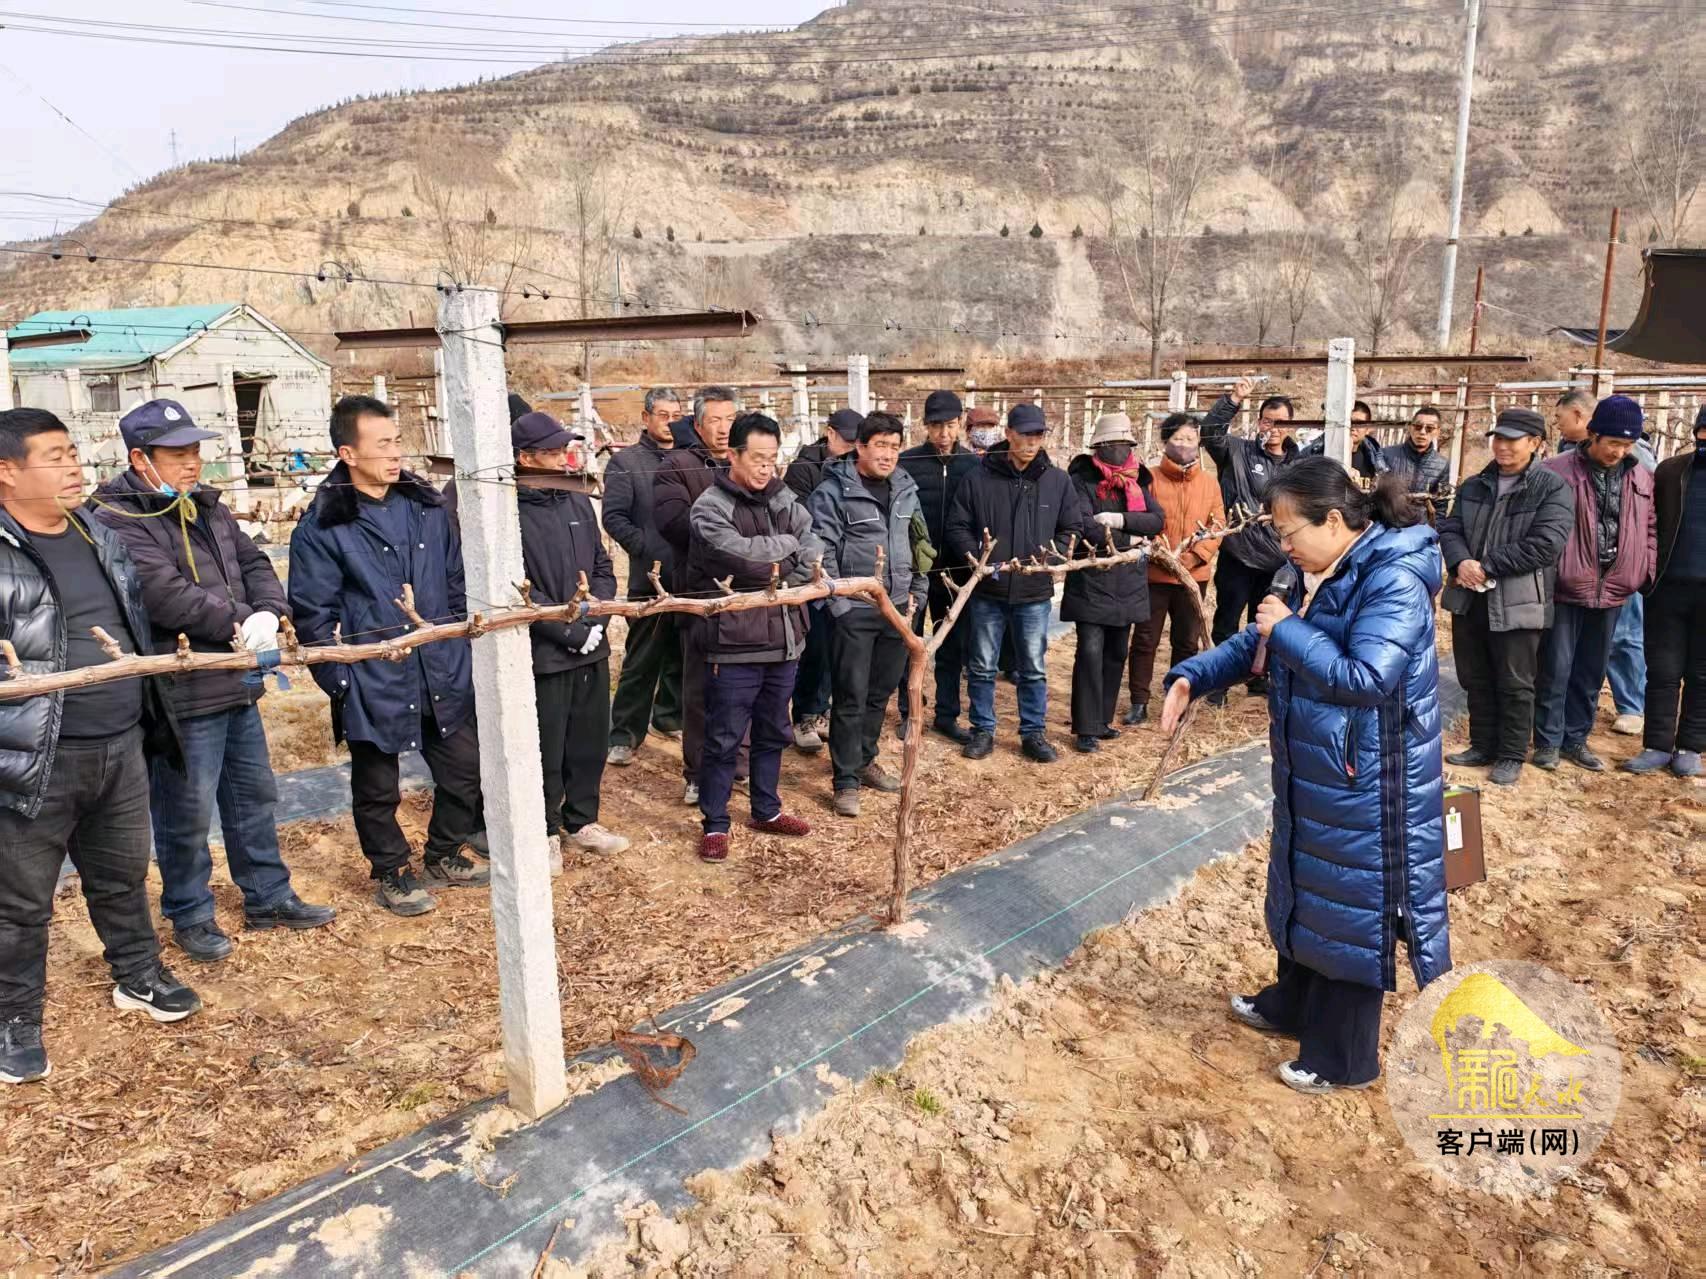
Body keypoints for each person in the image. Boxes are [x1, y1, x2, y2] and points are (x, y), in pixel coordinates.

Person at [1161, 460, 1450, 1095]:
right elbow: (1261, 640)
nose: (1282, 545)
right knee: (1305, 883)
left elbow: (1367, 678)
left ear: (1335, 521)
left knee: (1352, 905)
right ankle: (1292, 1004)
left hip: (1369, 775)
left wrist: (1289, 630)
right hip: (1317, 764)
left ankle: (1344, 1059)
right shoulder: (1310, 570)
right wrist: (1193, 675)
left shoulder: (1393, 578)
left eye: (1289, 531)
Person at [92, 400, 334, 963]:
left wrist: (269, 611)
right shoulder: (116, 518)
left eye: (195, 451)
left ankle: (268, 896)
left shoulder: (208, 507)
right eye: (177, 453)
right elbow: (162, 593)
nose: (192, 463)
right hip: (181, 684)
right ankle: (190, 911)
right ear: (140, 458)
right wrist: (239, 622)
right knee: (186, 807)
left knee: (254, 795)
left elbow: (254, 563)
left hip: (236, 674)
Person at [0, 408, 201, 1086]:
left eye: (73, 452)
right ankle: (13, 1018)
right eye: (54, 456)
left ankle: (138, 974)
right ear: (7, 472)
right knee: (20, 901)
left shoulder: (97, 530)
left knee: (121, 875)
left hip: (119, 742)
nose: (73, 465)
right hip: (32, 756)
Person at [289, 395, 486, 916]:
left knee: (465, 769)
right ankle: (392, 871)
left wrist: (459, 646)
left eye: (397, 441)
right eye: (382, 444)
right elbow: (312, 615)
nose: (395, 453)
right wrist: (341, 681)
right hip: (373, 674)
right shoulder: (324, 526)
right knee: (378, 788)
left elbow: (455, 581)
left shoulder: (426, 508)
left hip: (440, 664)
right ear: (348, 453)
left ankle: (443, 853)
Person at [686, 414, 822, 862]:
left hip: (785, 636)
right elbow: (743, 563)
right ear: (733, 455)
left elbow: (814, 545)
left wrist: (785, 563)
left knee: (773, 729)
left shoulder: (783, 497)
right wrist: (786, 550)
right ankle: (715, 822)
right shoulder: (709, 507)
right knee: (724, 737)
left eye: (772, 459)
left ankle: (766, 809)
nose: (767, 468)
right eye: (758, 459)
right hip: (734, 641)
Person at [508, 412, 628, 860]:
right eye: (554, 452)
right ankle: (545, 831)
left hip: (591, 647)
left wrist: (596, 621)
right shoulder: (510, 512)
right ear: (525, 458)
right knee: (548, 746)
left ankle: (583, 820)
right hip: (546, 652)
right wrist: (567, 631)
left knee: (589, 740)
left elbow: (601, 566)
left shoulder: (576, 501)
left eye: (565, 450)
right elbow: (515, 586)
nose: (564, 459)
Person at [1436, 407, 1575, 787]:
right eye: (1498, 438)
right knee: (1475, 675)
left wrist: (1486, 565)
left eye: (1512, 440)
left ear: (1536, 443)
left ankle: (1511, 754)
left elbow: (1546, 544)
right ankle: (1483, 744)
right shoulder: (1474, 485)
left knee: (1515, 682)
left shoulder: (1551, 487)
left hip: (1518, 601)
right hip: (1469, 597)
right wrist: (1460, 561)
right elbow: (1450, 528)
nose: (1502, 446)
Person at [945, 403, 1088, 764]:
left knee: (1033, 667)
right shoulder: (979, 478)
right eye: (1024, 435)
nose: (1031, 442)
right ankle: (982, 730)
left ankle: (1033, 732)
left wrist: (1048, 561)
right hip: (987, 591)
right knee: (982, 665)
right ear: (1008, 434)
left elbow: (1071, 528)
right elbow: (957, 526)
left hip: (1034, 592)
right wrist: (978, 560)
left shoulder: (1056, 481)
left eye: (1037, 435)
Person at [809, 412, 925, 815]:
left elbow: (920, 544)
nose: (888, 454)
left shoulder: (905, 488)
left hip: (897, 610)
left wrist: (917, 595)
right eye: (880, 445)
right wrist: (840, 606)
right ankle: (845, 781)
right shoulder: (832, 492)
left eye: (894, 446)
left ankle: (864, 760)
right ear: (860, 446)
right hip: (855, 610)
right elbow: (819, 551)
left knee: (879, 694)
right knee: (850, 695)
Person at [1531, 395, 1656, 772]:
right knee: (1555, 668)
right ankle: (1548, 742)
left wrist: (1642, 568)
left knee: (1590, 671)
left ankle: (1576, 740)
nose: (1619, 452)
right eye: (1613, 442)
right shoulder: (1555, 471)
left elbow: (1651, 526)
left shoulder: (1641, 476)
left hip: (1615, 588)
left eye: (1627, 444)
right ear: (1593, 434)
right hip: (1565, 587)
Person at [654, 386, 738, 806]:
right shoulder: (678, 465)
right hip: (700, 592)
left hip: (748, 593)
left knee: (742, 689)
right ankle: (698, 774)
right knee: (701, 689)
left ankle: (736, 766)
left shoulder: (747, 461)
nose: (724, 429)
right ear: (698, 425)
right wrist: (737, 539)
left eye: (730, 420)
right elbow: (674, 523)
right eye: (715, 420)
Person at [1061, 413, 1164, 753]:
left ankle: (1103, 720)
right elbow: (1086, 526)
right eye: (1114, 445)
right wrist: (1131, 539)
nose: (1121, 451)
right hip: (1092, 579)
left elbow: (1157, 520)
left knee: (1117, 651)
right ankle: (1085, 727)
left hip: (1128, 582)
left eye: (1125, 444)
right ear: (1100, 447)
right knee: (1090, 652)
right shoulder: (1081, 481)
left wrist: (1119, 520)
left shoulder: (1137, 480)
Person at [1201, 377, 1299, 704]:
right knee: (1227, 621)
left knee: (1265, 623)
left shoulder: (1298, 464)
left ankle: (1258, 676)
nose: (1275, 428)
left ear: (1292, 426)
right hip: (1239, 554)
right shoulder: (1238, 451)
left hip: (1278, 560)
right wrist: (1232, 399)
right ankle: (1219, 682)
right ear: (1259, 422)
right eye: (1269, 421)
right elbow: (1210, 433)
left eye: (1282, 422)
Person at [603, 387, 684, 767]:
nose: (669, 423)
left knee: (682, 655)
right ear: (646, 417)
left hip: (689, 576)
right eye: (662, 415)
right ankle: (624, 733)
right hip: (648, 580)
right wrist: (646, 547)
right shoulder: (627, 463)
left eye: (676, 416)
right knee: (641, 659)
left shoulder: (689, 458)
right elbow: (614, 517)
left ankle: (668, 717)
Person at [1624, 405, 1706, 778]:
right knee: (1662, 670)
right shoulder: (1671, 471)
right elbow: (1649, 523)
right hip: (1667, 589)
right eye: (1702, 432)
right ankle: (1656, 745)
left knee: (1702, 674)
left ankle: (1690, 746)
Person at [1127, 411, 1224, 726]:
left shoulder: (1209, 483)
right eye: (1177, 438)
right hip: (1154, 575)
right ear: (1165, 442)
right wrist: (1163, 555)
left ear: (1199, 442)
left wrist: (1195, 557)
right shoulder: (1150, 478)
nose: (1184, 444)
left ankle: (1177, 699)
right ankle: (1138, 701)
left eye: (1190, 439)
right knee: (1145, 640)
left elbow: (1217, 525)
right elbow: (1142, 519)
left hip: (1193, 577)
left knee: (1186, 641)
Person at [898, 389, 979, 743]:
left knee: (952, 644)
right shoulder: (907, 463)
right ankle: (909, 712)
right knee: (910, 643)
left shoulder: (974, 466)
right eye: (935, 426)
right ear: (925, 426)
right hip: (915, 570)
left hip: (956, 571)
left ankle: (947, 714)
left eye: (949, 425)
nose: (943, 434)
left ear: (960, 424)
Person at [784, 409, 862, 754]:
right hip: (813, 568)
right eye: (846, 440)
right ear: (829, 433)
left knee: (838, 647)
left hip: (848, 567)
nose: (851, 447)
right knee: (815, 646)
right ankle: (804, 714)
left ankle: (821, 710)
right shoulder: (804, 469)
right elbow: (803, 521)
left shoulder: (856, 469)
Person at [1302, 400, 1387, 480]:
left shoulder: (1374, 456)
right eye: (1349, 422)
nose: (1353, 427)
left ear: (1367, 429)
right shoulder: (1316, 451)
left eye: (1359, 423)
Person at [1382, 406, 1451, 498]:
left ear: (1437, 432)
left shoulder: (1442, 464)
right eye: (1418, 426)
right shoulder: (1386, 455)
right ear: (1410, 428)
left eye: (1429, 428)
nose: (1422, 432)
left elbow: (1440, 501)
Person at [1552, 388, 1595, 453]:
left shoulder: (1601, 448)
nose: (1557, 426)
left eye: (1559, 417)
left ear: (1577, 415)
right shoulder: (1564, 445)